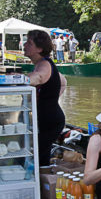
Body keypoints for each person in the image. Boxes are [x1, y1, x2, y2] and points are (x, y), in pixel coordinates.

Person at [23, 29, 66, 166]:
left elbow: (38, 78)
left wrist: (18, 79)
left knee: (40, 156)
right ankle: (44, 176)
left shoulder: (45, 64)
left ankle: (44, 178)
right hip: (45, 119)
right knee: (40, 154)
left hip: (51, 121)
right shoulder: (40, 64)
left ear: (40, 48)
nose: (24, 45)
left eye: (29, 43)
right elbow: (63, 81)